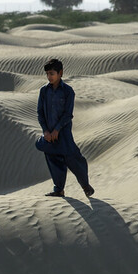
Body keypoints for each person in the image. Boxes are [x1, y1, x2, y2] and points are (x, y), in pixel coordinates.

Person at [35, 58, 95, 198]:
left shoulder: (68, 91)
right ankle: (59, 190)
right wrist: (46, 131)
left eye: (52, 73)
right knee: (53, 160)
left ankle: (86, 186)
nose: (49, 77)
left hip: (64, 134)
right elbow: (40, 113)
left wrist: (57, 130)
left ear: (60, 73)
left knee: (74, 159)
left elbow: (68, 115)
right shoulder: (44, 91)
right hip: (49, 135)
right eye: (47, 74)